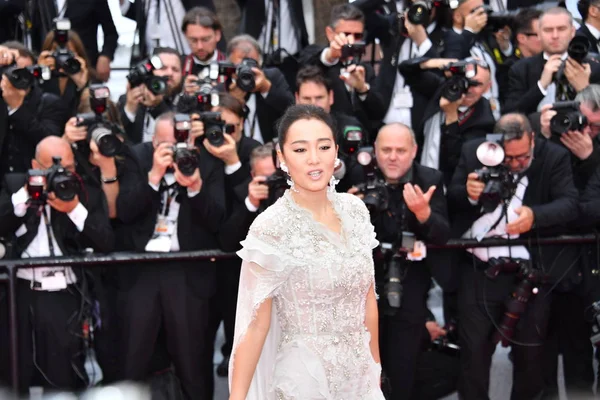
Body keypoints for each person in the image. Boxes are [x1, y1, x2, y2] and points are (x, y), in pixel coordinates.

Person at [228, 104, 385, 399]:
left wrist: (374, 372)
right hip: (304, 380)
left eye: (324, 147)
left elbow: (368, 303)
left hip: (359, 378)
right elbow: (255, 326)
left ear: (336, 151)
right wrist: (237, 397)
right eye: (300, 150)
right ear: (281, 157)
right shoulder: (270, 226)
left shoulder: (357, 212)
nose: (314, 159)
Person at [448, 113, 579, 399]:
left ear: (533, 139)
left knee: (531, 357)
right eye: (510, 158)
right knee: (474, 356)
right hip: (479, 270)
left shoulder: (553, 156)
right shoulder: (475, 152)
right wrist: (470, 194)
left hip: (530, 272)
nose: (518, 163)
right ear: (495, 146)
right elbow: (452, 199)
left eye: (523, 156)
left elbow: (570, 204)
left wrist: (535, 216)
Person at [0, 136, 114, 393]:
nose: (60, 173)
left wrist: (73, 208)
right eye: (50, 167)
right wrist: (24, 199)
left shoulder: (84, 190)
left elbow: (106, 241)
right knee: (13, 372)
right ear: (33, 165)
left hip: (65, 294)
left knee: (63, 377)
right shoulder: (14, 185)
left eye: (68, 167)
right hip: (20, 291)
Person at [349, 123, 450, 399]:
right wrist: (344, 211)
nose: (393, 157)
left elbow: (443, 235)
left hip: (409, 281)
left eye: (400, 150)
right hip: (361, 284)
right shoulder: (357, 174)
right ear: (374, 152)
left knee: (403, 366)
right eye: (386, 150)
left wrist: (424, 214)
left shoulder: (429, 179)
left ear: (414, 151)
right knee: (361, 370)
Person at [505, 7, 600, 115]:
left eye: (561, 29)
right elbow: (510, 115)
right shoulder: (521, 69)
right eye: (548, 30)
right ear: (539, 34)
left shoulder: (593, 68)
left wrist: (585, 89)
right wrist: (541, 86)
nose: (555, 36)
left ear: (572, 31)